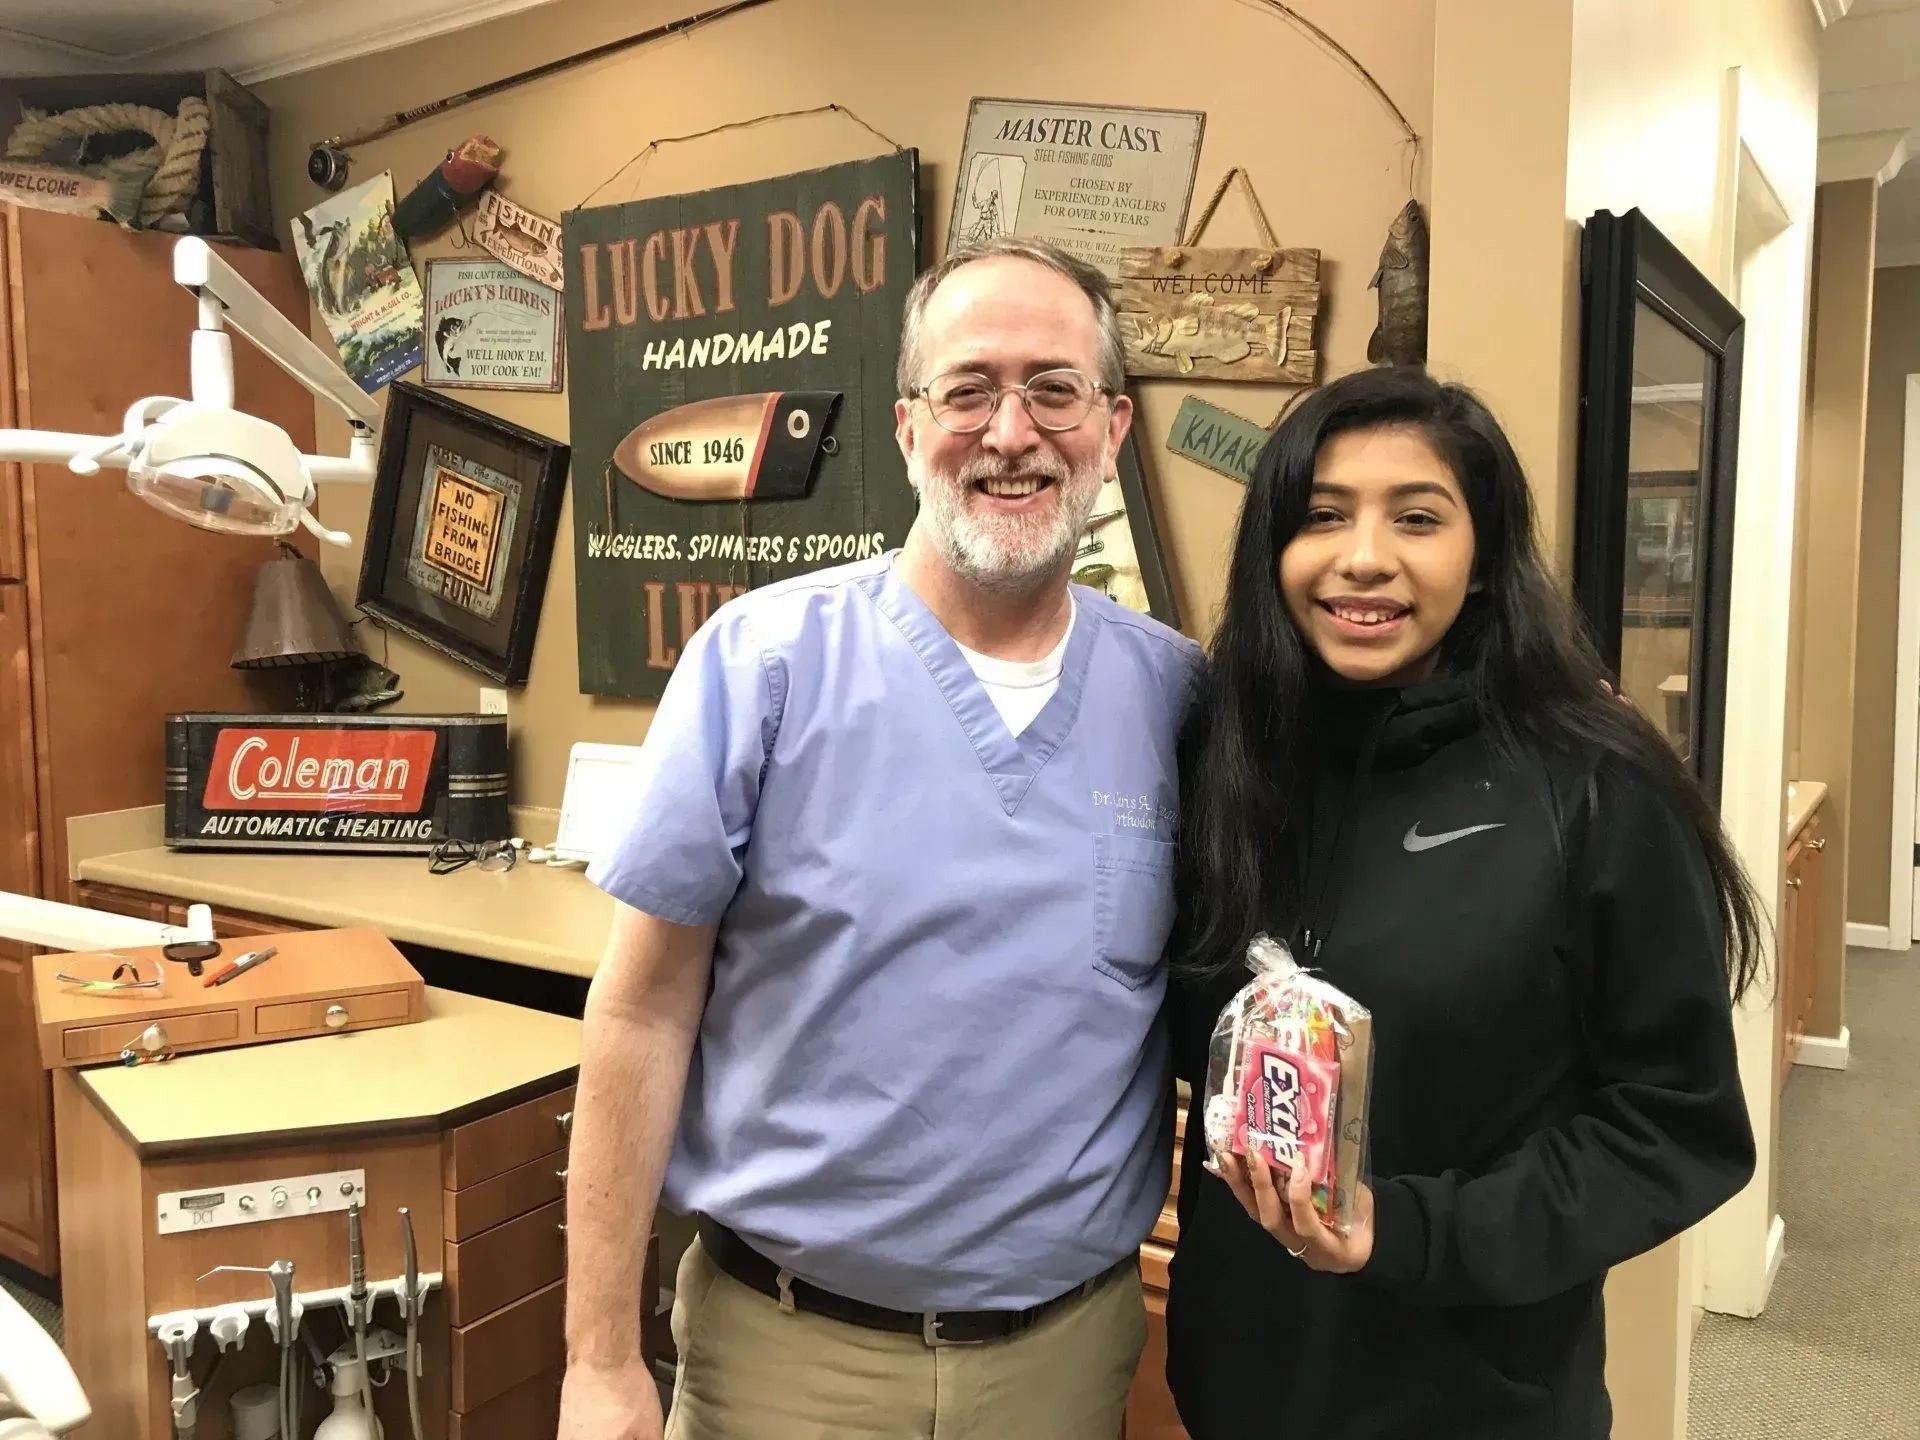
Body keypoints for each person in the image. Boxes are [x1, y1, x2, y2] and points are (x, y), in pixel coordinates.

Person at [559, 235, 1204, 1440]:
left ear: (1112, 431)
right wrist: (598, 1359)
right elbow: (641, 1013)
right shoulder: (761, 668)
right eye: (969, 390)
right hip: (790, 1361)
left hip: (1062, 1362)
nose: (1012, 432)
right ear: (910, 431)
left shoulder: (1179, 699)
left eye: (1054, 390)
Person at [1164, 366, 1762, 1440]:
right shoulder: (1225, 760)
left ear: (1482, 561)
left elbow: (1676, 1130)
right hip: (1239, 1387)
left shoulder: (1590, 779)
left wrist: (1406, 1231)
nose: (1364, 557)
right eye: (1322, 517)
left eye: (1418, 518)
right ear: (1274, 554)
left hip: (1476, 1400)